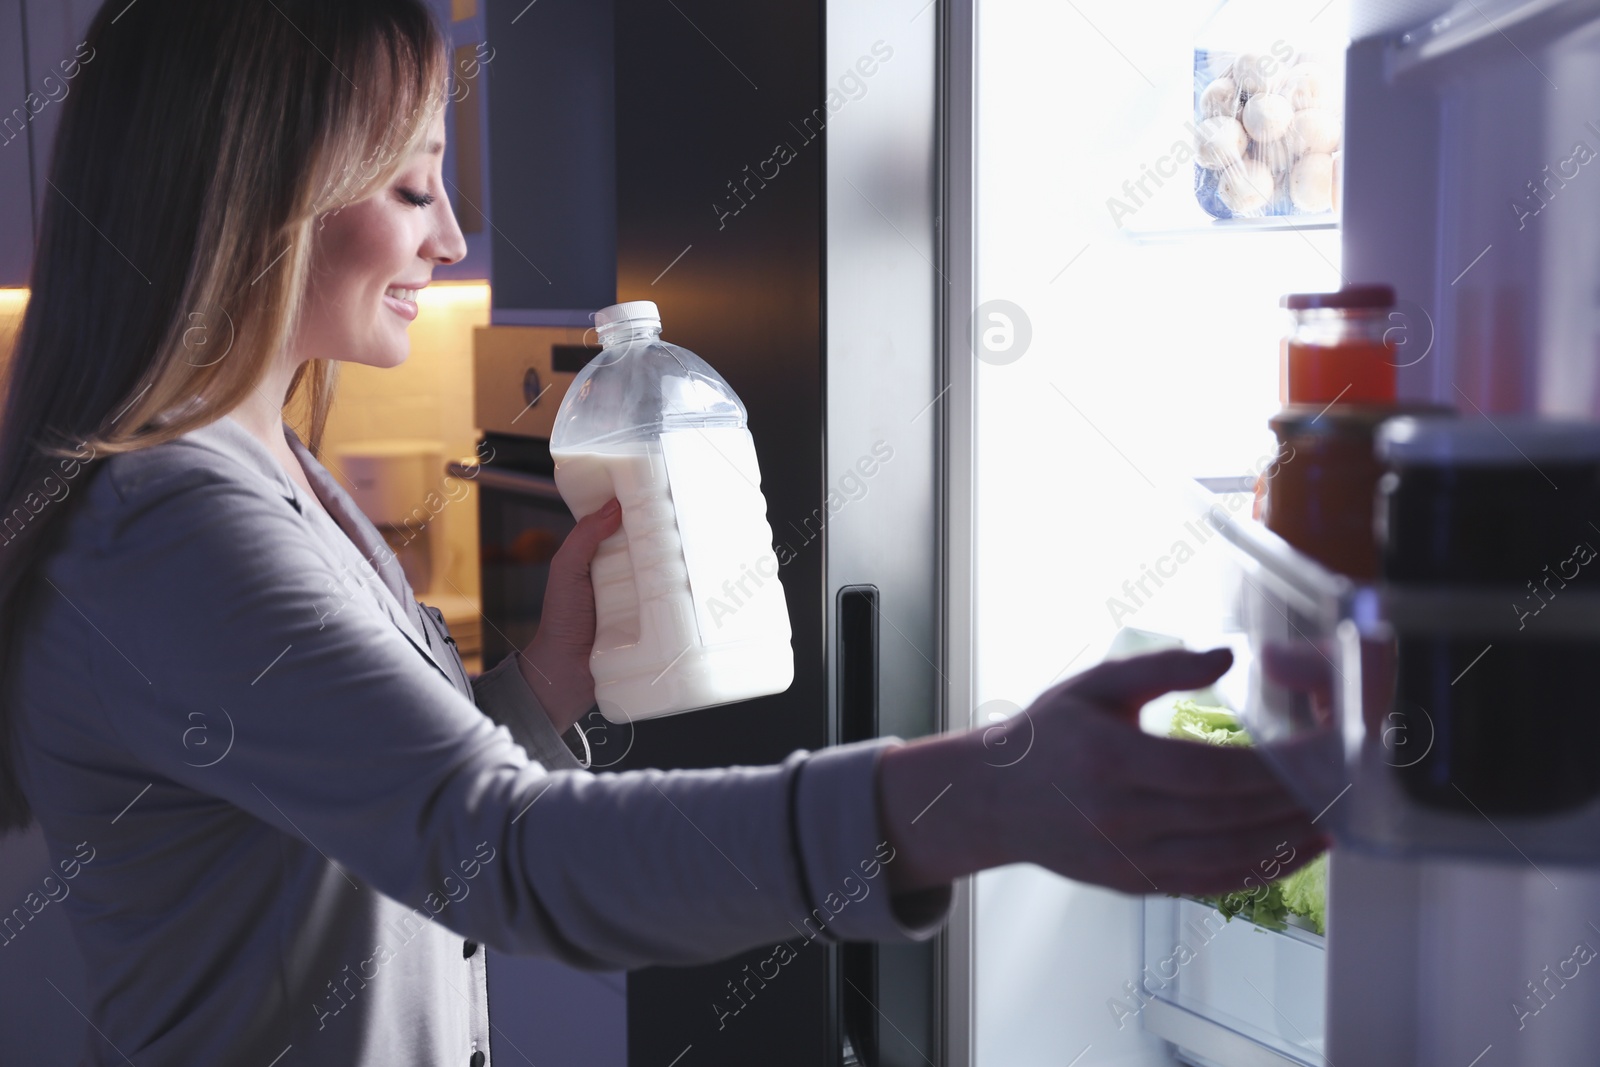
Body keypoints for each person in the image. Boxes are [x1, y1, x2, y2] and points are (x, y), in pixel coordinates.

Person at [0, 2, 1324, 1064]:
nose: (453, 236)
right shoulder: (172, 528)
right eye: (411, 190)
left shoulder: (258, 464)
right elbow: (502, 857)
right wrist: (967, 793)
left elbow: (380, 834)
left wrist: (543, 684)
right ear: (261, 195)